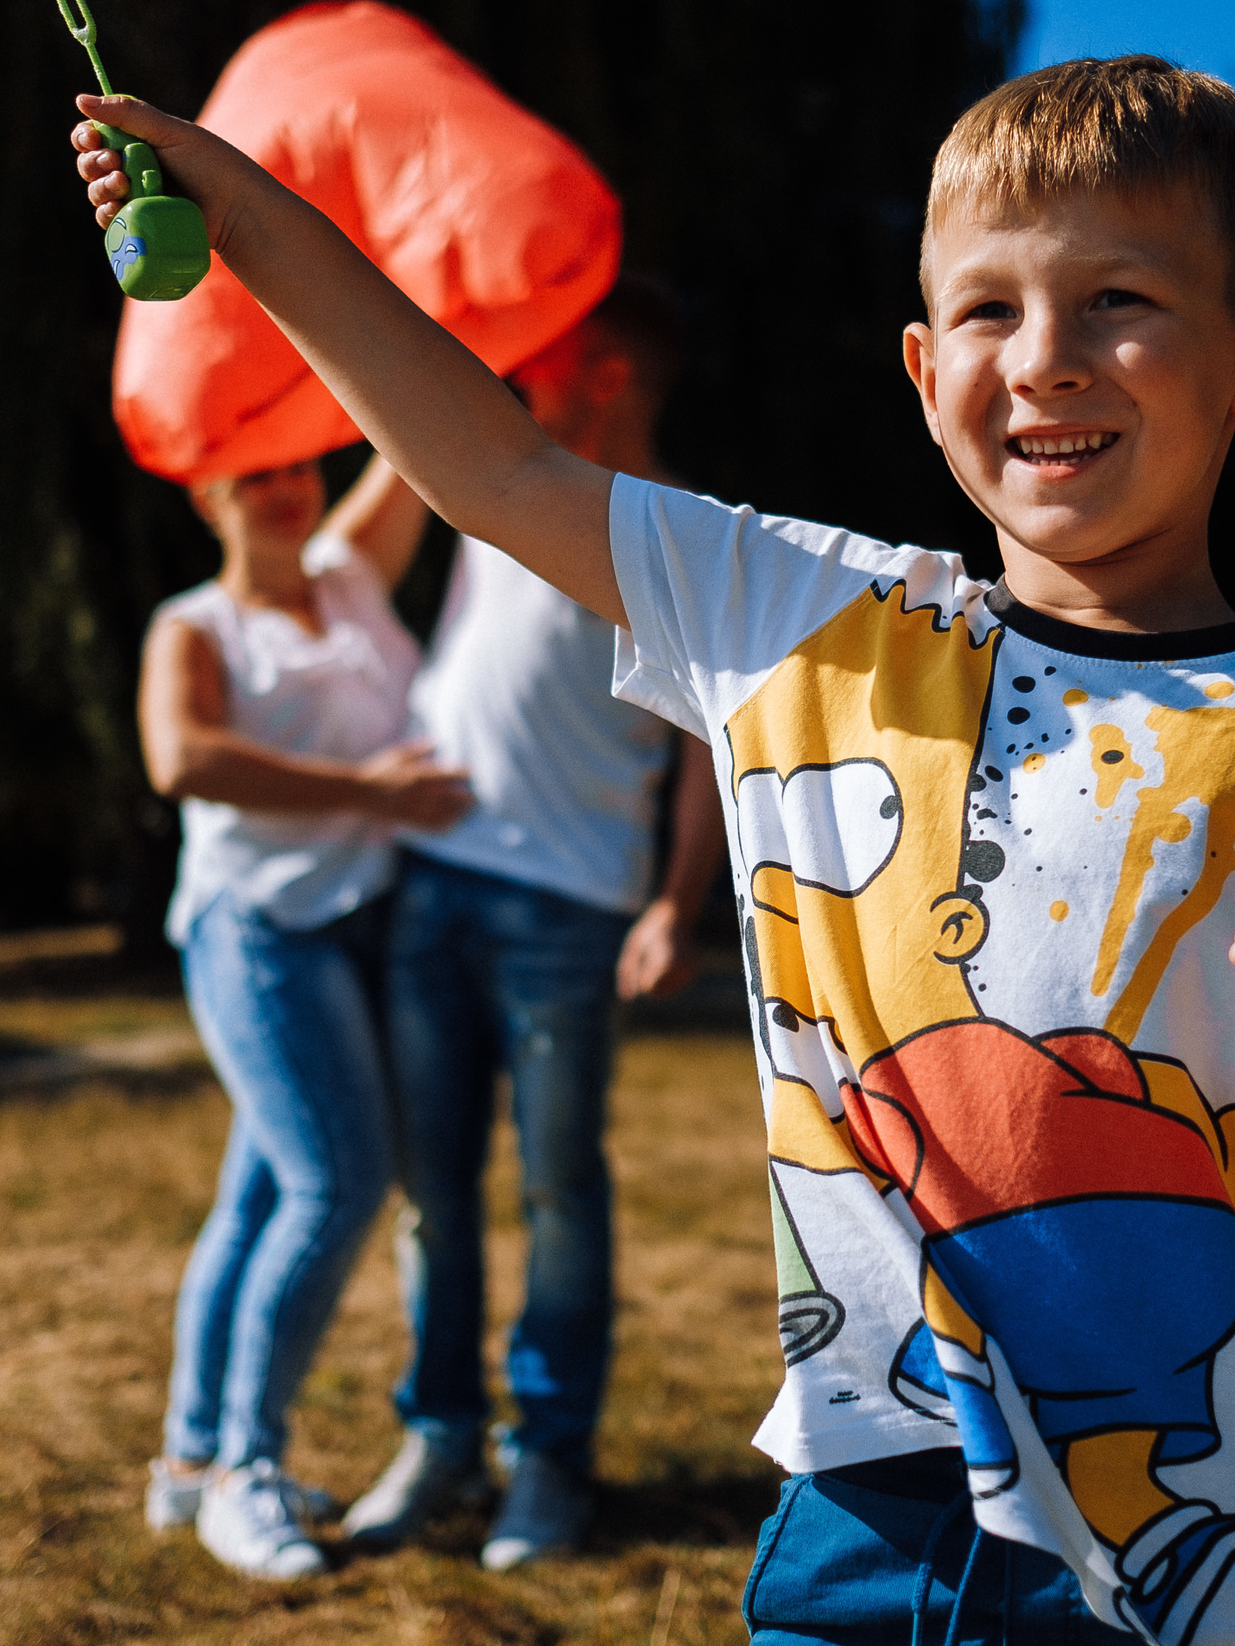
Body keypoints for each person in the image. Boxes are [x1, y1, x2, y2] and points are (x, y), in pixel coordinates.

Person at [71, 50, 1235, 1645]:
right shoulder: (795, 619)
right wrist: (241, 214)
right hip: (858, 1513)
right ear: (925, 376)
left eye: (1120, 299)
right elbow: (492, 464)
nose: (1047, 360)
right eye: (989, 311)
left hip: (1205, 1541)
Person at [335, 278, 728, 1571]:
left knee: (560, 1186)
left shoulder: (679, 534)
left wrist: (675, 907)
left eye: (542, 358)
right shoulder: (498, 485)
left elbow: (704, 758)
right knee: (432, 1187)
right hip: (433, 881)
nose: (510, 375)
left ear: (606, 371)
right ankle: (440, 1432)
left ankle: (548, 1457)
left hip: (571, 907)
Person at [136, 450, 471, 1581]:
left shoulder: (347, 574)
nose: (281, 489)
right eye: (250, 476)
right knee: (335, 1185)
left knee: (261, 1194)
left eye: (293, 467)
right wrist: (371, 793)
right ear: (204, 495)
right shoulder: (194, 625)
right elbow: (179, 759)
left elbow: (408, 439)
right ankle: (246, 1470)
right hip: (260, 932)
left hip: (361, 925)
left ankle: (190, 1461)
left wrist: (449, 311)